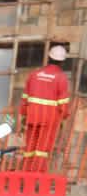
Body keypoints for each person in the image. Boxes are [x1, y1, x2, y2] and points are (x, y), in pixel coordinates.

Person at [19, 38, 72, 172]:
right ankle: (38, 177)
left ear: (49, 57)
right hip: (49, 119)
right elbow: (63, 102)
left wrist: (23, 115)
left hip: (32, 117)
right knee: (43, 149)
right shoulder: (61, 77)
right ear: (62, 61)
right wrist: (64, 117)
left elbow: (25, 97)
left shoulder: (34, 74)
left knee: (30, 147)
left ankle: (26, 173)